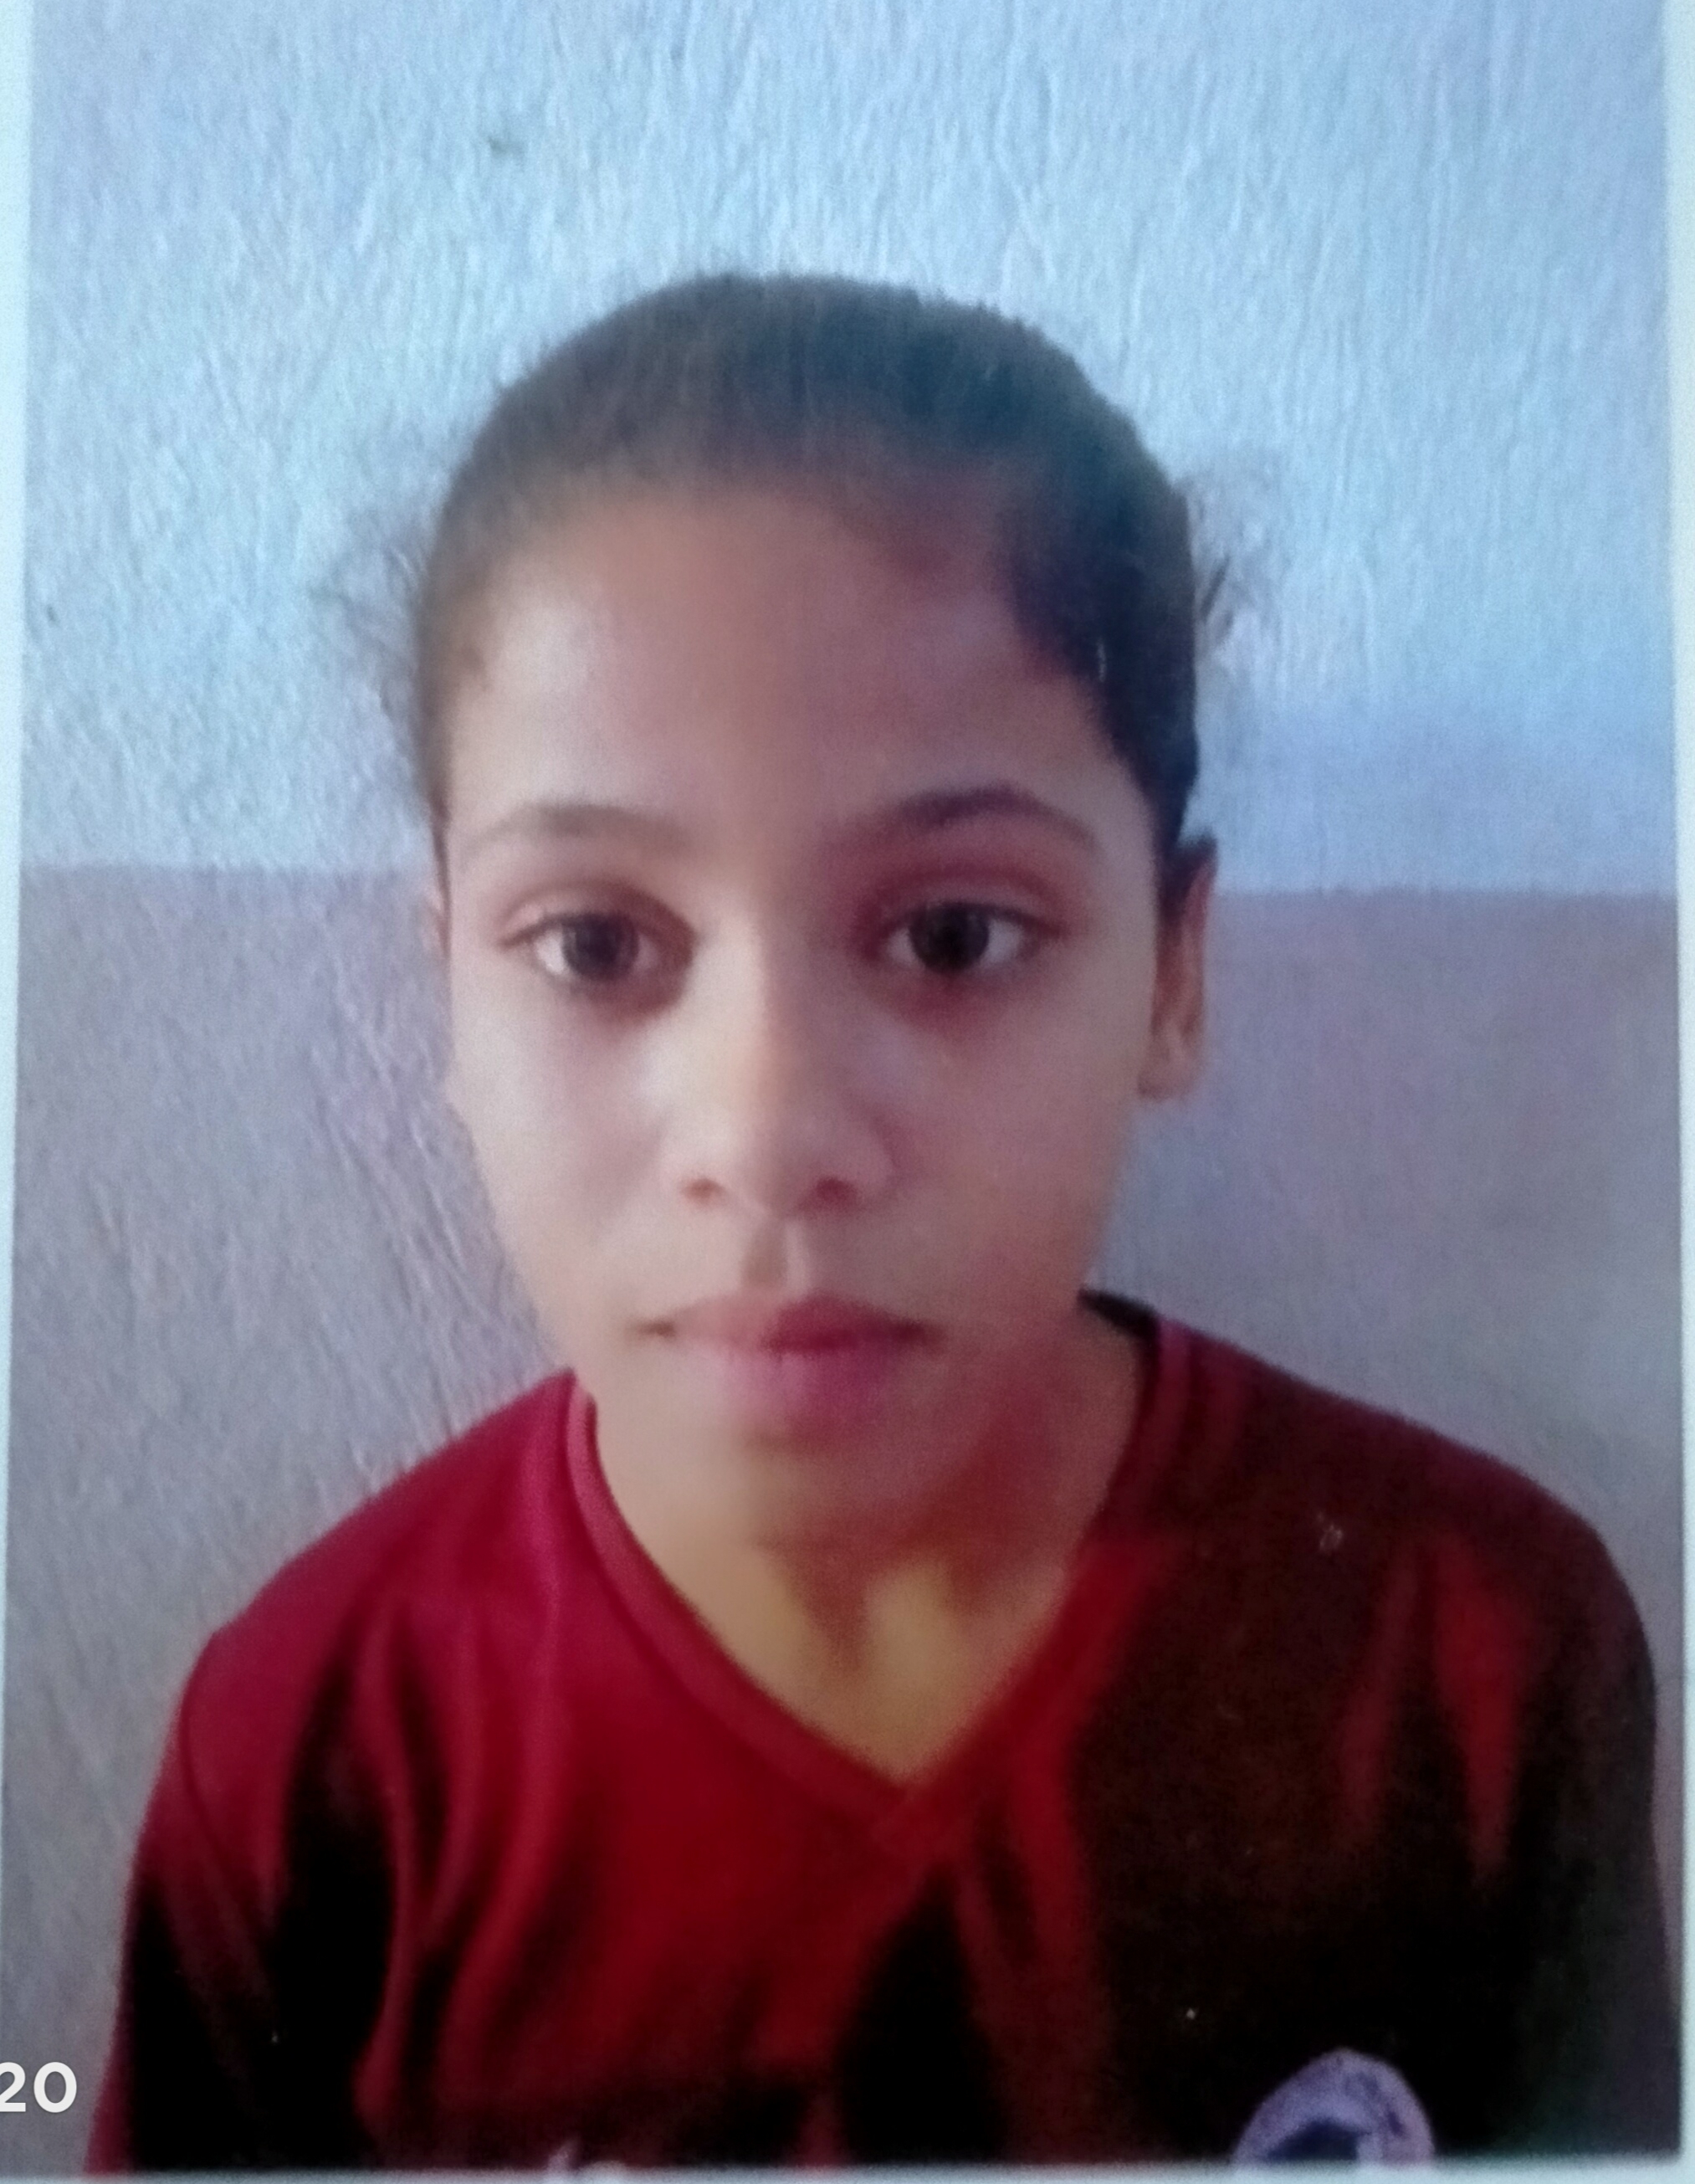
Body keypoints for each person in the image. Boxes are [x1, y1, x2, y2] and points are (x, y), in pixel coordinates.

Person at [89, 273, 1677, 2167]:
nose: (766, 1139)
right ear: (448, 984)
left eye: (950, 934)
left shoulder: (1476, 1653)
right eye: (594, 945)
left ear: (1172, 974)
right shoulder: (312, 1753)